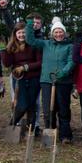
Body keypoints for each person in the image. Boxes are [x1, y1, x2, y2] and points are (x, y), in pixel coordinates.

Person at [26, 16, 75, 144]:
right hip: (47, 81)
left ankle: (65, 135)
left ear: (64, 33)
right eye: (56, 32)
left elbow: (71, 61)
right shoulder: (45, 44)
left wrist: (63, 72)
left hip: (63, 82)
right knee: (48, 109)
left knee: (63, 109)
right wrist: (30, 23)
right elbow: (30, 40)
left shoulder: (69, 46)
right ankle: (50, 132)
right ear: (52, 33)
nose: (58, 34)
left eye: (60, 32)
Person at [1, 22, 42, 129]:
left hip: (34, 78)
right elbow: (7, 64)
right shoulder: (12, 46)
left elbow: (40, 62)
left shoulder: (34, 45)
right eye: (19, 33)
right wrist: (4, 50)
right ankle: (12, 124)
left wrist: (25, 67)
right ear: (15, 34)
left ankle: (31, 129)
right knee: (22, 104)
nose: (21, 35)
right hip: (19, 79)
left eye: (24, 32)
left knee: (32, 105)